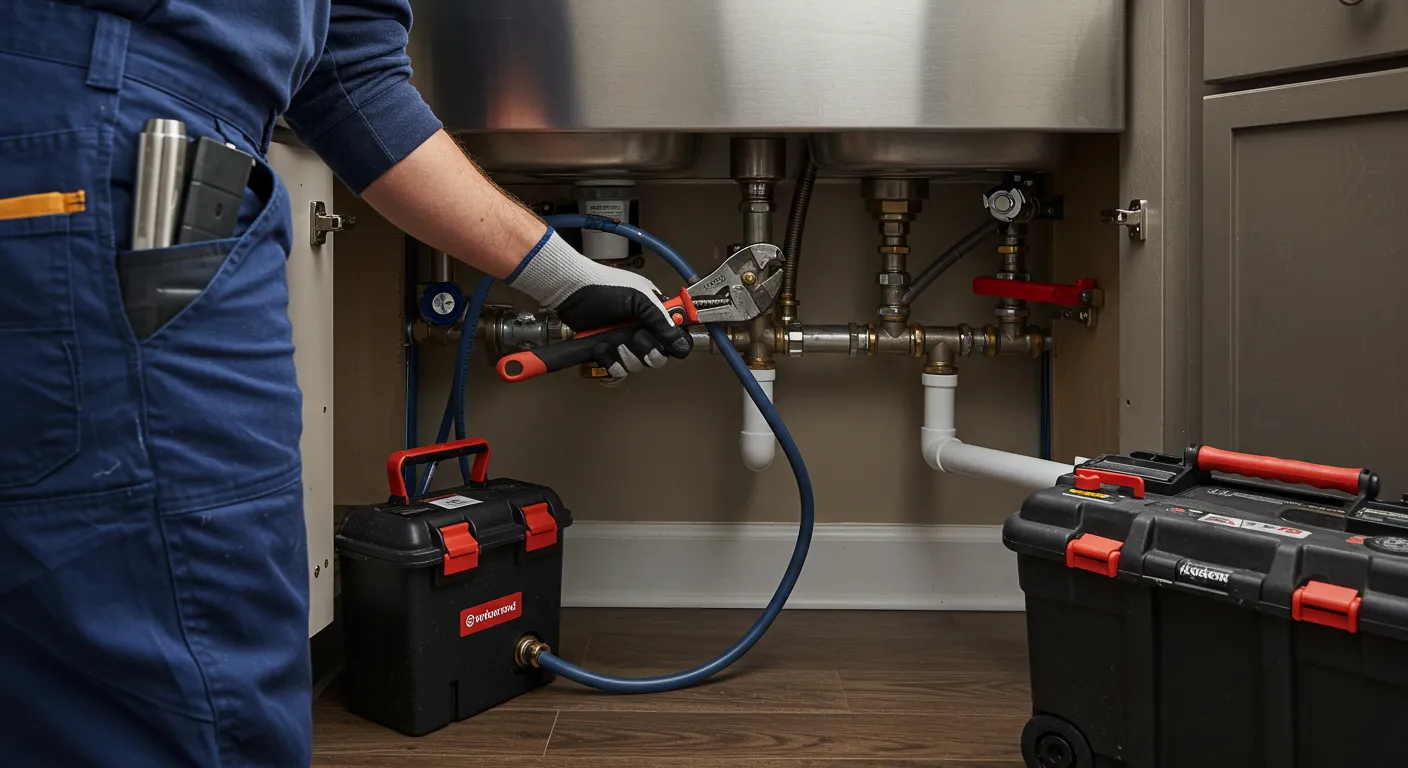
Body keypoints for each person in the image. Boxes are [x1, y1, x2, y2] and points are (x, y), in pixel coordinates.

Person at [0, 0, 692, 764]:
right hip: (121, 151)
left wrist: (567, 278)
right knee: (193, 673)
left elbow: (348, 71)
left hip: (118, 149)